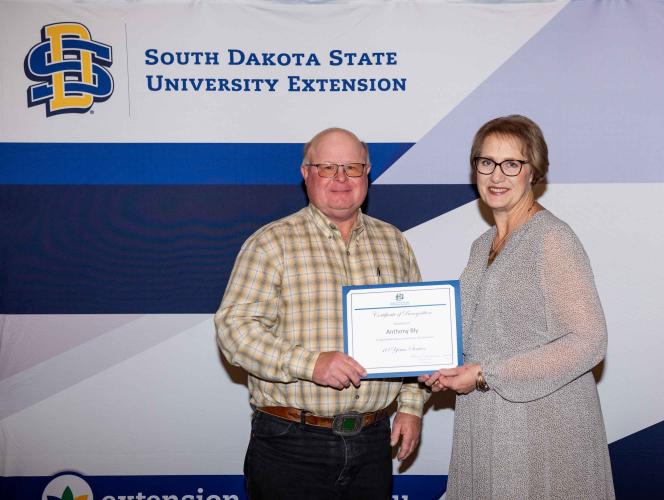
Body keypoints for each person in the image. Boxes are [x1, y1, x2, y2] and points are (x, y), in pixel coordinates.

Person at [215, 127, 427, 499]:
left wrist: (410, 406)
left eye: (353, 167)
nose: (342, 179)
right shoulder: (271, 243)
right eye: (328, 167)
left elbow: (414, 335)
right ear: (306, 173)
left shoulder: (394, 243)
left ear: (368, 173)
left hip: (373, 442)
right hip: (292, 443)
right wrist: (310, 363)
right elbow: (235, 331)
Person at [420, 115, 615, 499]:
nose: (497, 175)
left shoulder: (552, 239)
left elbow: (589, 341)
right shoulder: (482, 245)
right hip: (486, 424)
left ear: (534, 172)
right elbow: (474, 331)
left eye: (512, 164)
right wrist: (436, 362)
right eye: (486, 162)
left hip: (542, 432)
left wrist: (485, 374)